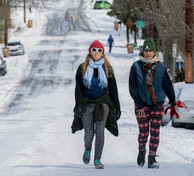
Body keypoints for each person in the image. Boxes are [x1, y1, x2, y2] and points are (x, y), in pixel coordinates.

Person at [128, 38, 178, 169]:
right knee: (143, 132)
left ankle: (152, 159)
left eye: (150, 50)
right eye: (146, 50)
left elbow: (167, 86)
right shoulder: (136, 67)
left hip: (157, 104)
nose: (148, 53)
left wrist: (173, 102)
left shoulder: (160, 67)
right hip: (141, 105)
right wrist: (139, 104)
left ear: (154, 51)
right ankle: (141, 151)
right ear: (143, 52)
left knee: (155, 132)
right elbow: (132, 88)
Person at [71, 40, 121, 169]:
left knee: (100, 131)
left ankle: (97, 159)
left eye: (99, 50)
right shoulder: (83, 68)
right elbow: (78, 88)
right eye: (94, 50)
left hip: (102, 102)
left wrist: (117, 107)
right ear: (90, 52)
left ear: (103, 52)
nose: (97, 52)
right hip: (87, 103)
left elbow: (113, 88)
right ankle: (87, 149)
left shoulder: (107, 68)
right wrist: (78, 105)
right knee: (89, 132)